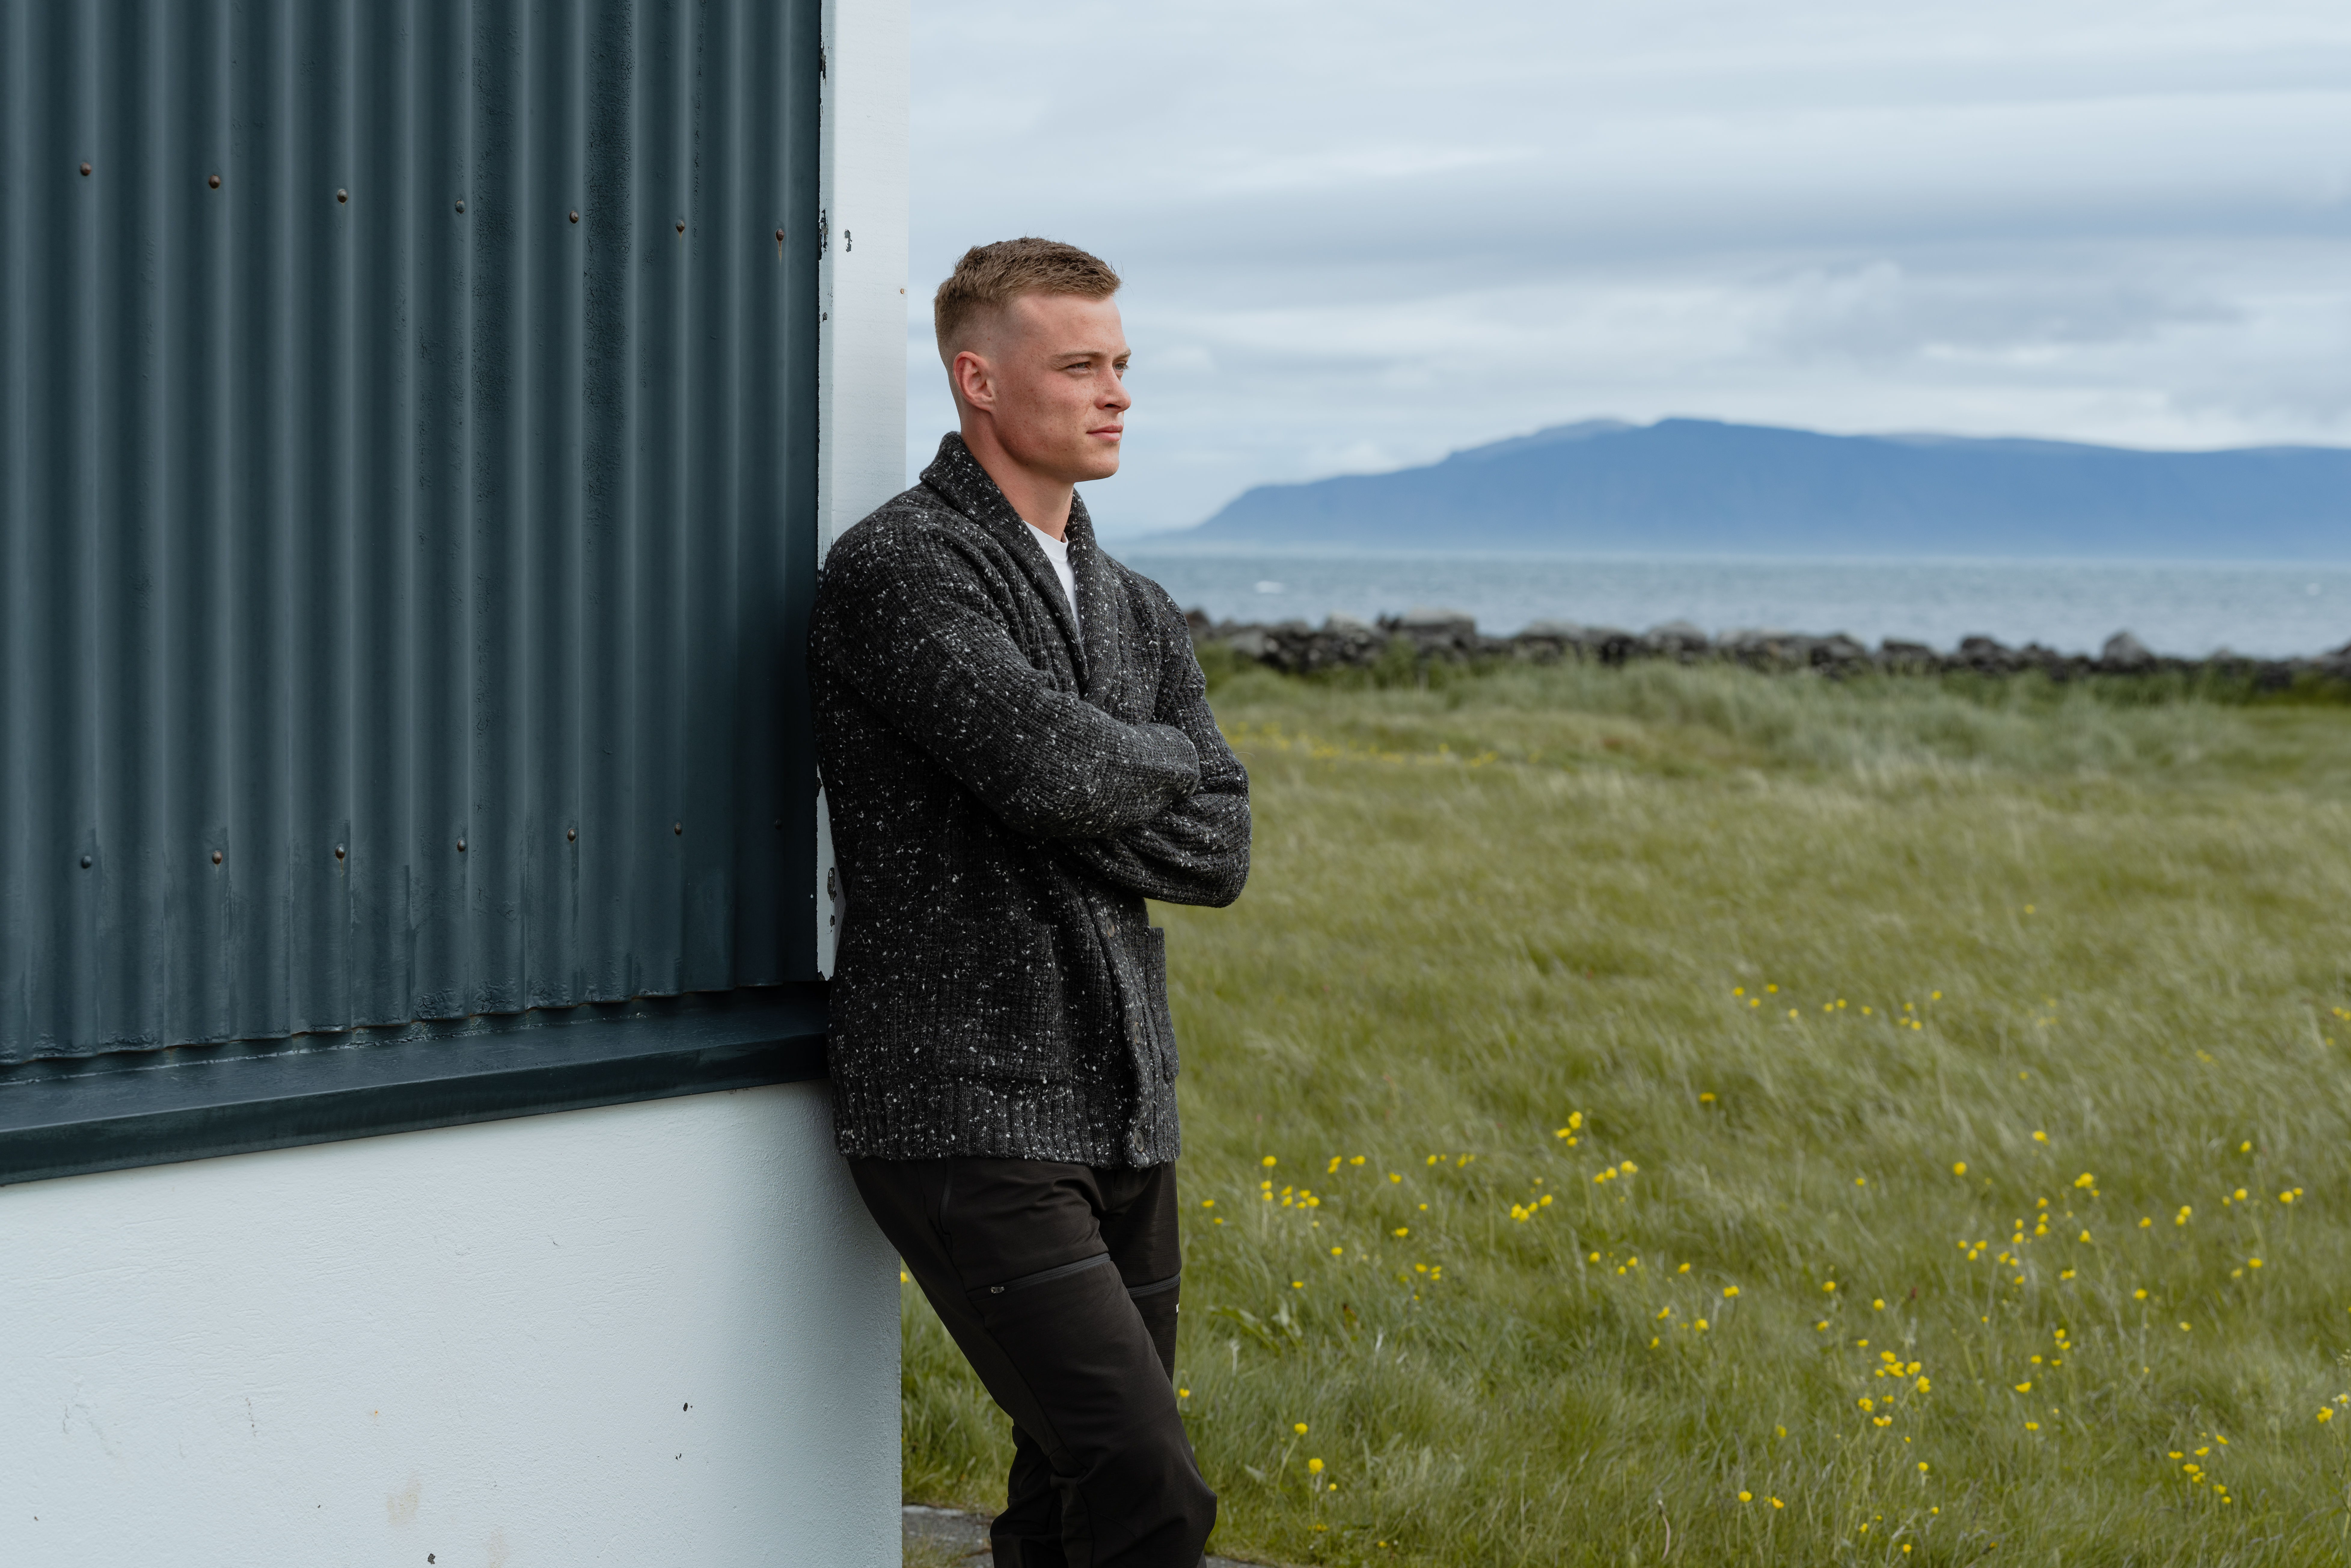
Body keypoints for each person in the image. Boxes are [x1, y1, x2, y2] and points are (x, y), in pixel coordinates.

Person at [809, 238, 1250, 1567]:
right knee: (1145, 1484)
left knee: (1067, 1498)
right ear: (980, 380)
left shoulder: (1140, 606)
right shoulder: (901, 571)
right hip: (961, 1106)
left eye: (1121, 366)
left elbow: (1223, 847)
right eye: (1079, 366)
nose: (1116, 393)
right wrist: (1151, 758)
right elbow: (1057, 774)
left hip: (1126, 1102)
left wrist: (1107, 768)